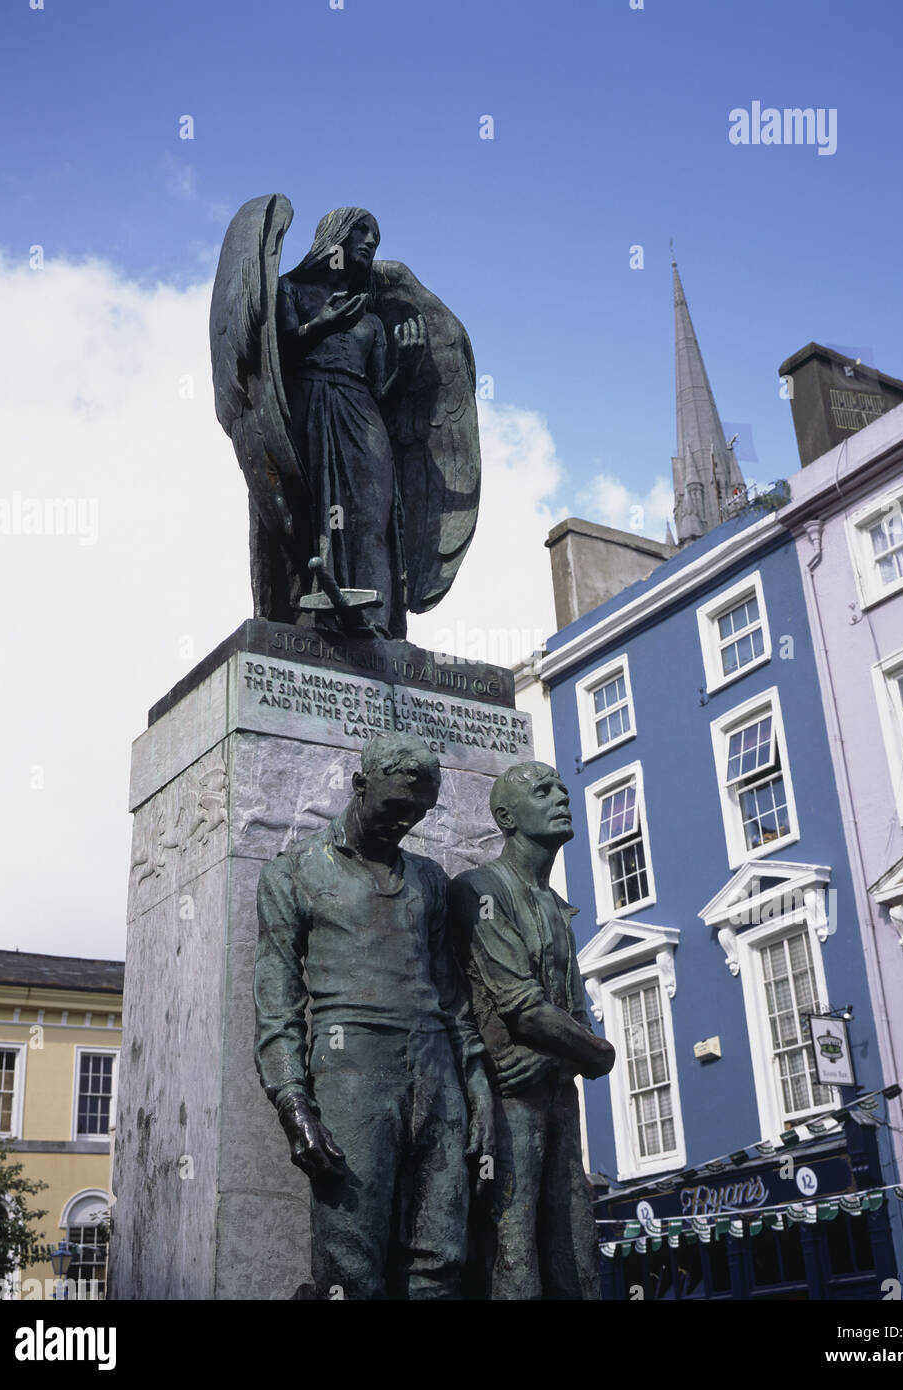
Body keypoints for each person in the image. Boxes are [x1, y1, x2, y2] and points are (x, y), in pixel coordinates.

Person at [253, 732, 493, 1300]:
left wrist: (477, 1088)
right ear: (359, 787)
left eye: (418, 813)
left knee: (440, 1261)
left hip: (437, 1076)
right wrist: (293, 1104)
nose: (404, 822)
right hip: (351, 1074)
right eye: (393, 807)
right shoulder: (292, 873)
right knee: (350, 1268)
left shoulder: (429, 879)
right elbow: (277, 1005)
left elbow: (453, 998)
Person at [449, 761, 616, 1300]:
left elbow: (574, 1021)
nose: (561, 798)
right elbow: (523, 1008)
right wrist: (592, 1053)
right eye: (544, 792)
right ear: (505, 817)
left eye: (563, 789)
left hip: (553, 1092)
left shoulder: (555, 904)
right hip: (504, 1100)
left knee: (574, 1237)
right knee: (512, 1239)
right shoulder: (479, 889)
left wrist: (574, 1055)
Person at [276, 208, 424, 637]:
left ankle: (374, 621)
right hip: (309, 403)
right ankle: (316, 613)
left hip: (362, 412)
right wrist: (318, 327)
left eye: (375, 238)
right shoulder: (292, 291)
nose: (369, 242)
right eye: (361, 232)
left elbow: (383, 393)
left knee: (371, 513)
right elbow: (276, 356)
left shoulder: (371, 321)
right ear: (333, 238)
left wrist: (408, 368)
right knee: (315, 511)